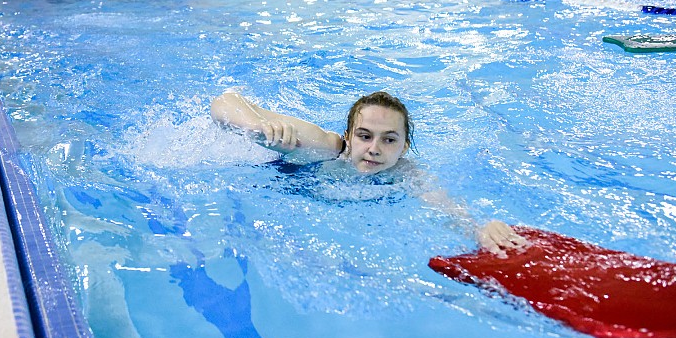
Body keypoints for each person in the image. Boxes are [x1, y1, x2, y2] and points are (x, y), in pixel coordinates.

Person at [210, 90, 527, 255]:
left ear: (404, 147)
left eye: (389, 140)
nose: (375, 148)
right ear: (348, 137)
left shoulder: (406, 173)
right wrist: (257, 126)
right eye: (364, 136)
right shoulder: (325, 147)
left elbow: (442, 204)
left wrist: (478, 230)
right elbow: (224, 101)